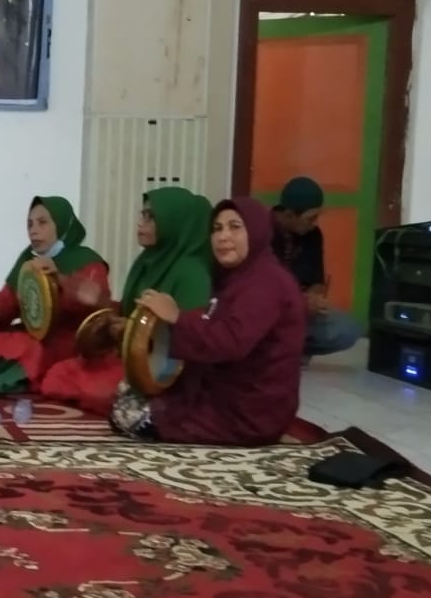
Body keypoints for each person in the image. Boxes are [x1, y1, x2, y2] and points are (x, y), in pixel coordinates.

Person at [108, 196, 305, 446]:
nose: (223, 237)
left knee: (126, 415)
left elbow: (230, 342)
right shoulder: (235, 277)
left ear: (256, 232)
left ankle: (254, 432)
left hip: (246, 411)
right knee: (126, 395)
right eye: (217, 229)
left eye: (235, 227)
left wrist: (176, 317)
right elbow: (210, 319)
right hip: (224, 394)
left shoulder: (267, 282)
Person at [40, 186, 213, 415]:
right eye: (143, 215)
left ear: (174, 222)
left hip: (162, 371)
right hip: (130, 359)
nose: (141, 223)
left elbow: (188, 338)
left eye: (151, 217)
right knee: (58, 375)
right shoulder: (146, 261)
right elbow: (129, 313)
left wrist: (130, 330)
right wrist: (102, 305)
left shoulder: (192, 273)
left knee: (104, 390)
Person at [0, 195, 109, 393]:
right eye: (30, 224)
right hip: (32, 338)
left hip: (71, 344)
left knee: (26, 349)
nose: (33, 230)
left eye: (42, 222)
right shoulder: (28, 260)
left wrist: (61, 280)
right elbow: (9, 302)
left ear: (62, 224)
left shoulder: (87, 260)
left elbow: (98, 308)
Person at [271, 175, 362, 359]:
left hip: (297, 313)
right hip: (268, 312)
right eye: (310, 218)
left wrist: (315, 300)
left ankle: (291, 349)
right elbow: (259, 291)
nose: (315, 224)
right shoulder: (262, 232)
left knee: (349, 329)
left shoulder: (313, 235)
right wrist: (300, 301)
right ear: (289, 215)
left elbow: (317, 281)